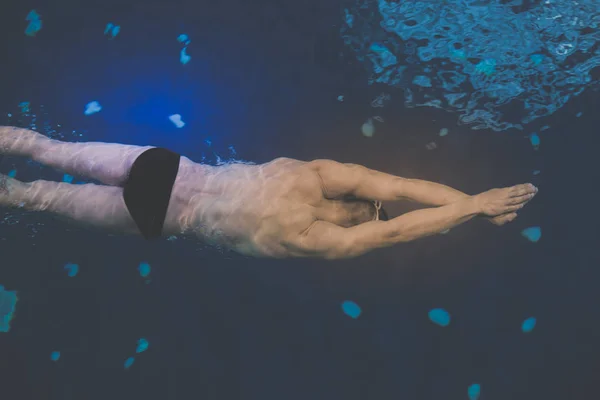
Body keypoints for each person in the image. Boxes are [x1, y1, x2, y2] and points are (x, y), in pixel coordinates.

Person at [0, 126, 537, 259]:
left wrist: (472, 203)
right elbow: (399, 212)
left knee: (44, 155)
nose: (369, 216)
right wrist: (471, 204)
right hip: (164, 203)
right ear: (363, 218)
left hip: (168, 176)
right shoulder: (313, 232)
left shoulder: (317, 178)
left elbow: (397, 194)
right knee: (36, 192)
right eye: (369, 217)